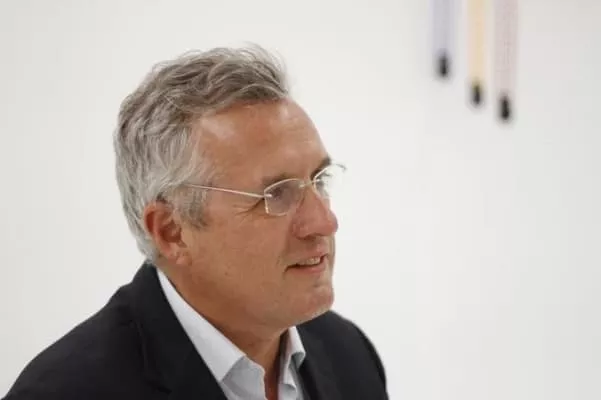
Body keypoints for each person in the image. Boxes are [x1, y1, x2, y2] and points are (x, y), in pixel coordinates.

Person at [3, 45, 388, 400]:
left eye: (319, 180)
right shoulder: (64, 392)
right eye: (277, 194)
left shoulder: (347, 354)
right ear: (172, 232)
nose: (325, 221)